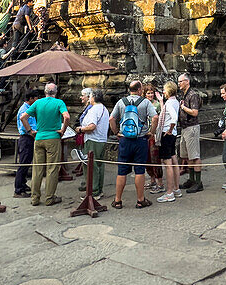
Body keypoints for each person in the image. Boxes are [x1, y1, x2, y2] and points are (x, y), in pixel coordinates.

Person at [109, 80, 156, 209]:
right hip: (140, 139)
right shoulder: (145, 102)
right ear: (140, 89)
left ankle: (117, 200)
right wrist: (151, 132)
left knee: (122, 171)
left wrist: (116, 132)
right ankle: (140, 200)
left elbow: (111, 119)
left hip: (124, 140)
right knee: (139, 170)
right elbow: (155, 118)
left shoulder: (121, 102)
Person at [21, 83, 69, 206]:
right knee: (52, 168)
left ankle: (35, 198)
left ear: (45, 92)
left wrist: (30, 131)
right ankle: (49, 197)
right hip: (53, 137)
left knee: (37, 169)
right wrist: (63, 130)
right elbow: (67, 117)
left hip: (39, 137)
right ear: (56, 92)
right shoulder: (59, 103)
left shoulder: (38, 103)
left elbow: (23, 117)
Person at [75, 88, 109, 200]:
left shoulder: (94, 110)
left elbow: (92, 126)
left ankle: (93, 191)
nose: (89, 99)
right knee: (99, 165)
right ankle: (98, 189)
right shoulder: (103, 108)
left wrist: (81, 129)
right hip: (101, 139)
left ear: (93, 97)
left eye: (90, 97)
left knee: (91, 166)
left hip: (93, 139)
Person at [177, 73, 204, 193]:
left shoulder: (192, 95)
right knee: (186, 155)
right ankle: (191, 179)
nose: (179, 84)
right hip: (184, 128)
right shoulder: (184, 94)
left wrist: (183, 108)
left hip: (192, 127)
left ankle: (198, 182)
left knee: (195, 155)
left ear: (187, 81)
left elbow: (194, 112)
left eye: (181, 81)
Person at [156, 81, 181, 202]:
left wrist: (170, 129)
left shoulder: (170, 103)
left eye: (165, 90)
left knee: (168, 163)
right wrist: (161, 101)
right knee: (174, 159)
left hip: (167, 133)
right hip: (172, 134)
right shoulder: (175, 101)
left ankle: (169, 192)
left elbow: (173, 118)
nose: (163, 92)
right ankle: (176, 188)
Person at [13, 89, 40, 197]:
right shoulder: (24, 110)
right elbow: (24, 122)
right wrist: (30, 131)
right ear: (31, 99)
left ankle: (23, 184)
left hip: (31, 137)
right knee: (23, 164)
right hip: (26, 137)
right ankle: (18, 189)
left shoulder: (31, 109)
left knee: (27, 162)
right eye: (36, 98)